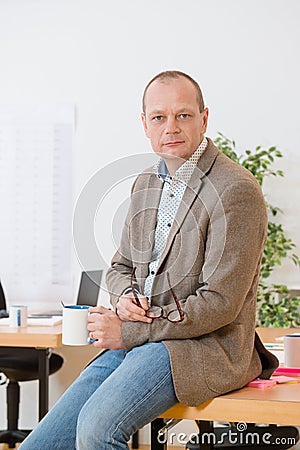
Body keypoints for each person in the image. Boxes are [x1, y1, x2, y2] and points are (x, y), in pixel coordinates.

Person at [19, 71, 278, 450]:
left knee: (96, 429)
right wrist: (124, 297)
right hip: (141, 341)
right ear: (145, 124)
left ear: (204, 119)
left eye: (183, 115)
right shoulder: (146, 182)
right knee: (39, 445)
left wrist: (129, 332)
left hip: (200, 347)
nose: (171, 127)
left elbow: (220, 303)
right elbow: (121, 265)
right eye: (159, 117)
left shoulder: (235, 190)